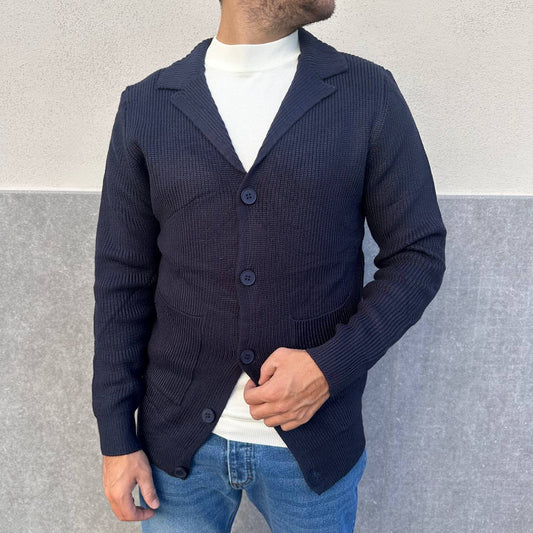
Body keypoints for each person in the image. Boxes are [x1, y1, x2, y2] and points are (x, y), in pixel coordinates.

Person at [92, 0, 447, 531]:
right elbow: (122, 281)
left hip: (314, 449)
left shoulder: (366, 93)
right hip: (176, 448)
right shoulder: (148, 106)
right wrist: (117, 437)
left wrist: (331, 366)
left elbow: (418, 253)